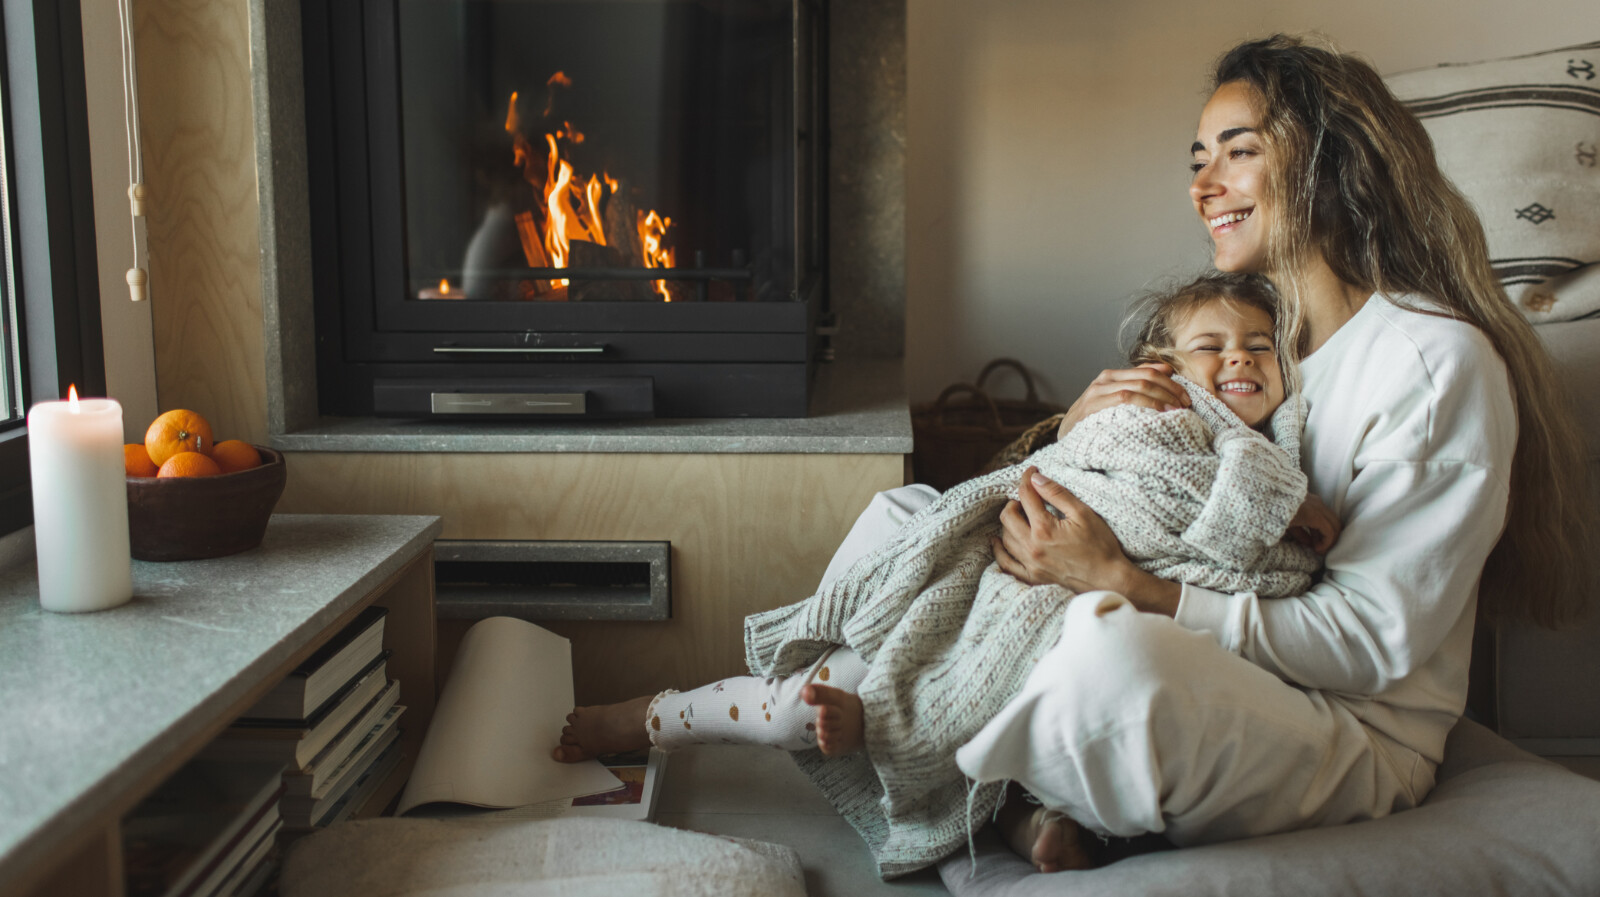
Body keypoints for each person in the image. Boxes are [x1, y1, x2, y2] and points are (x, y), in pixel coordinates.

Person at [956, 33, 1593, 873]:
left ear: (1332, 165)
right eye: (1197, 159)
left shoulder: (1434, 362)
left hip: (1350, 728)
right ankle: (1019, 788)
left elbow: (1369, 643)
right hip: (1232, 662)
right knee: (922, 522)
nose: (1202, 185)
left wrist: (1124, 582)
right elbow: (1165, 487)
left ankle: (997, 785)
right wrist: (1077, 429)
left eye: (1239, 151)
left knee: (1114, 656)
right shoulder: (1261, 348)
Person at [553, 271, 1342, 877]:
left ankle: (1022, 820)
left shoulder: (1270, 457)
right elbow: (1075, 478)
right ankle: (650, 716)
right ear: (1162, 368)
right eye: (1212, 345)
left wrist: (1288, 508)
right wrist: (1073, 429)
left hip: (1073, 619)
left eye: (1261, 346)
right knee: (794, 709)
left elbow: (1245, 543)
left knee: (1033, 734)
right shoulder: (1144, 416)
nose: (1238, 357)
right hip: (987, 582)